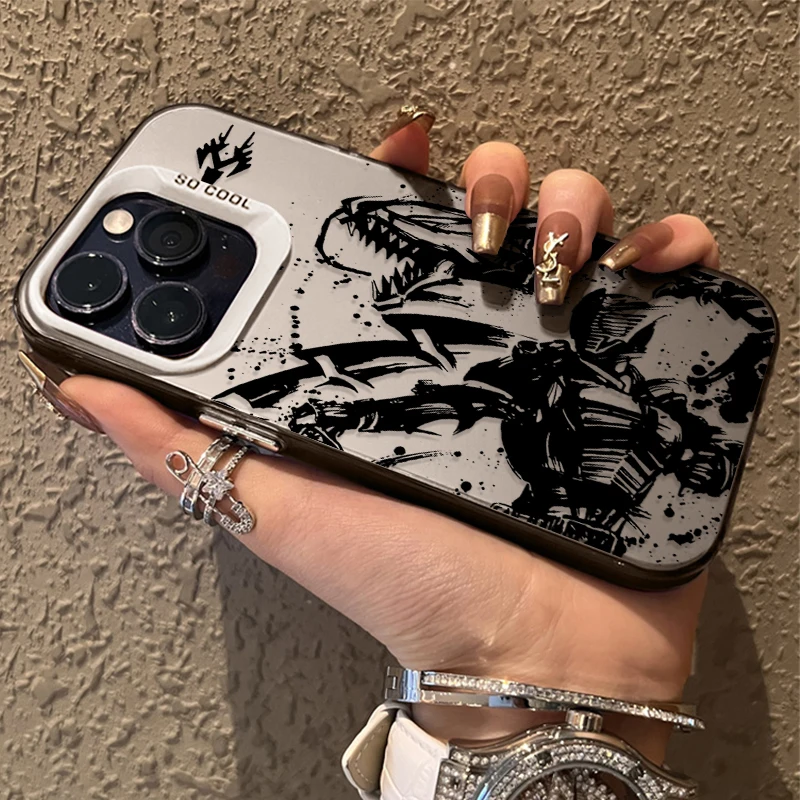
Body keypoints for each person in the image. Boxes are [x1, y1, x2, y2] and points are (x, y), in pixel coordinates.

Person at [51, 109, 721, 795]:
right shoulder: (529, 382)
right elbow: (449, 397)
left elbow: (454, 397)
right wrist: (545, 681)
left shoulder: (625, 411)